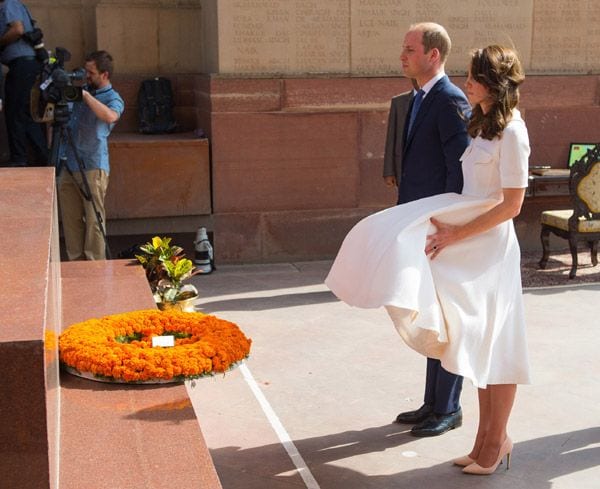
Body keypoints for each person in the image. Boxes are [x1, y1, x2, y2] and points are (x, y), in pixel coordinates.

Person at [326, 44, 531, 475]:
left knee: (498, 343)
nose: (467, 82)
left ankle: (495, 441)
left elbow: (511, 204)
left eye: (474, 76)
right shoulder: (482, 127)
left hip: (488, 248)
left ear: (492, 82)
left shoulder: (513, 131)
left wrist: (455, 231)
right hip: (466, 243)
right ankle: (483, 441)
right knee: (474, 341)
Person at [383, 22, 471, 437]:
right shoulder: (420, 97)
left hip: (441, 226)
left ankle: (449, 407)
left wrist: (449, 220)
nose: (402, 55)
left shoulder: (450, 99)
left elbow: (461, 167)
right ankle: (432, 403)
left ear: (433, 54)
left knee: (448, 316)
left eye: (409, 48)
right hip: (420, 221)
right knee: (431, 312)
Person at [57, 50, 124, 261]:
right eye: (85, 71)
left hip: (93, 164)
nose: (86, 76)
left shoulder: (113, 98)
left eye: (91, 72)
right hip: (67, 163)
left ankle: (95, 265)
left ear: (104, 75)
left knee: (94, 219)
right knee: (70, 219)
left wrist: (86, 97)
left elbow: (111, 116)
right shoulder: (78, 91)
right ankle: (75, 263)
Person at [0, 0, 47, 166]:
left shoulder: (8, 4)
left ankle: (20, 159)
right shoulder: (15, 5)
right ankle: (41, 156)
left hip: (22, 65)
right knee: (23, 113)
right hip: (24, 65)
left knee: (15, 113)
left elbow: (17, 29)